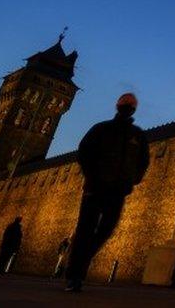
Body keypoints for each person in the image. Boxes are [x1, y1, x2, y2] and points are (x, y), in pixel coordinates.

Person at [65, 93, 149, 292]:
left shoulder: (137, 135)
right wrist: (92, 177)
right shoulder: (101, 128)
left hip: (118, 191)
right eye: (125, 103)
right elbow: (84, 152)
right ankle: (74, 277)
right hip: (95, 188)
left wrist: (133, 180)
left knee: (106, 229)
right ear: (118, 106)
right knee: (85, 230)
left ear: (133, 109)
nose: (128, 106)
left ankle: (79, 262)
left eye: (131, 104)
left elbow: (143, 161)